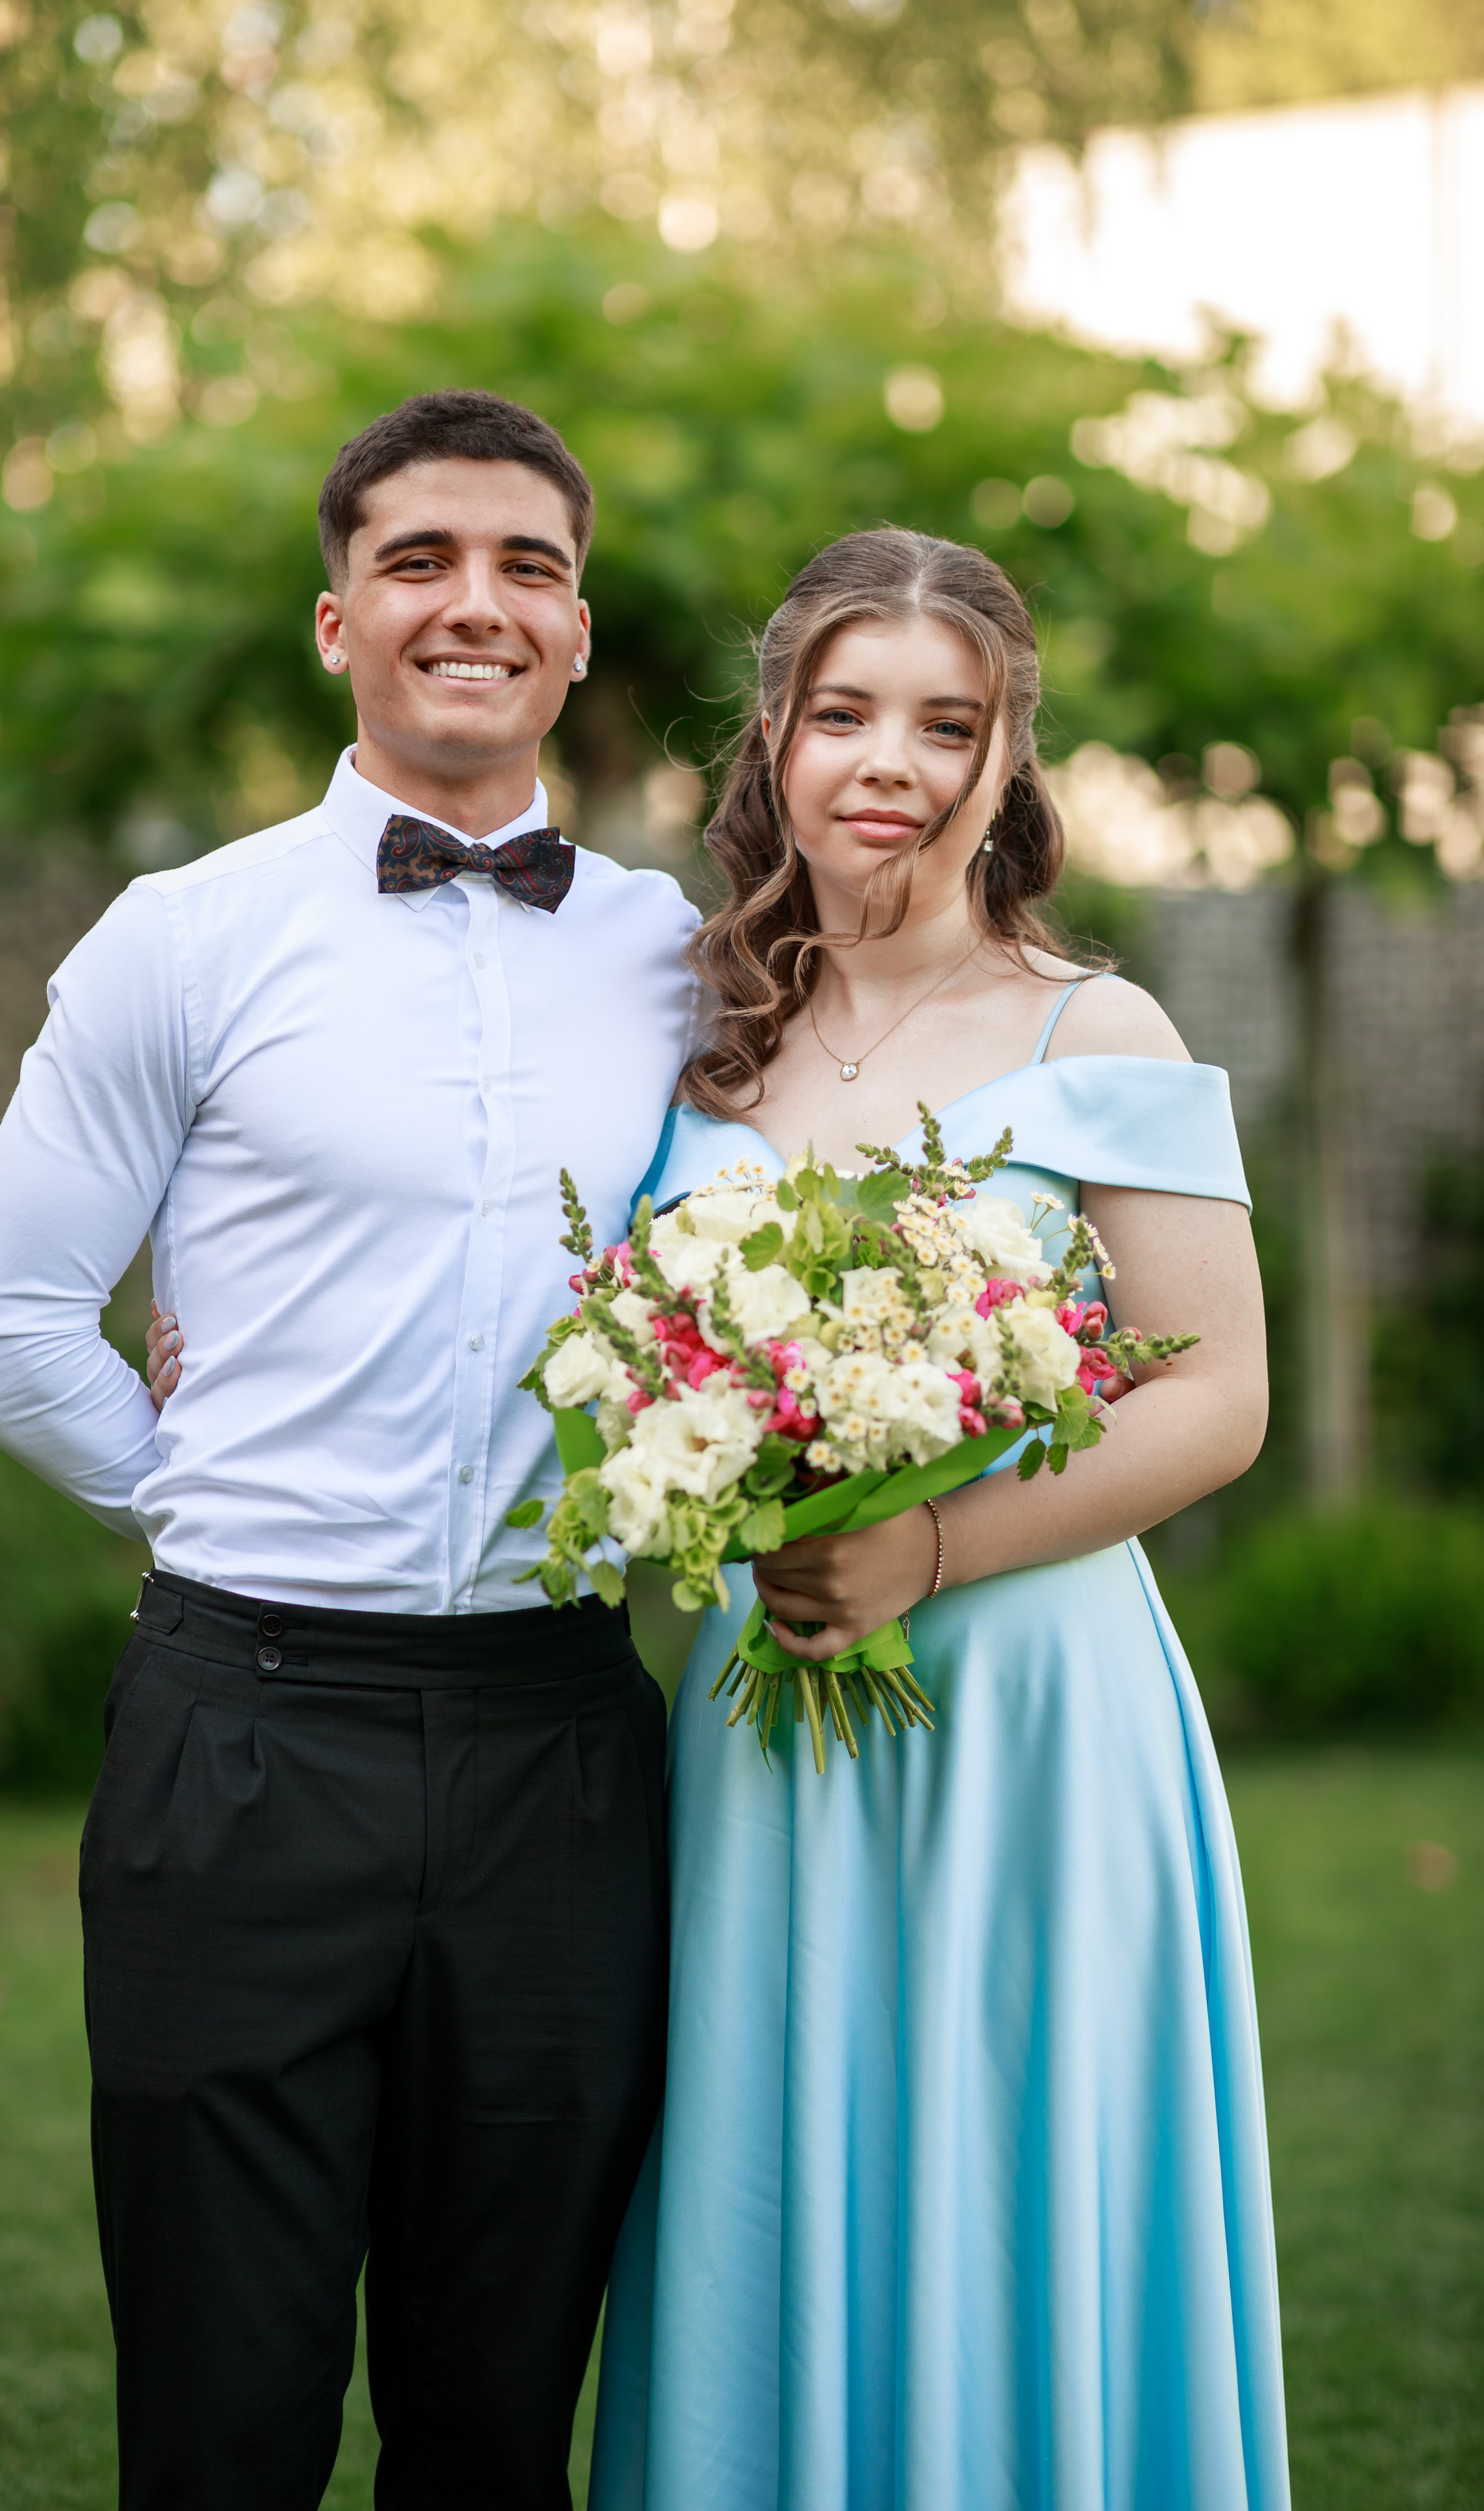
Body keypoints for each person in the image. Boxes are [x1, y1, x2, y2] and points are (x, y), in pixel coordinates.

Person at [0, 389, 702, 2511]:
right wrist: (226, 1497)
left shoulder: (682, 955)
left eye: (529, 564)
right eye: (425, 560)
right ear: (336, 616)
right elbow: (1, 1338)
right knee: (224, 2414)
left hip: (565, 1741)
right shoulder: (184, 938)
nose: (479, 602)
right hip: (244, 1738)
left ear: (573, 625)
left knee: (499, 2417)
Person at [578, 528, 1291, 2511]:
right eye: (846, 713)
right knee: (773, 2158)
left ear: (1008, 760)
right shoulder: (691, 1038)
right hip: (760, 1706)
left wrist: (934, 1545)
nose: (888, 761)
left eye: (946, 723)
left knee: (1015, 2155)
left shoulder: (1098, 1029)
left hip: (1034, 1707)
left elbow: (1220, 1395)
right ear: (777, 743)